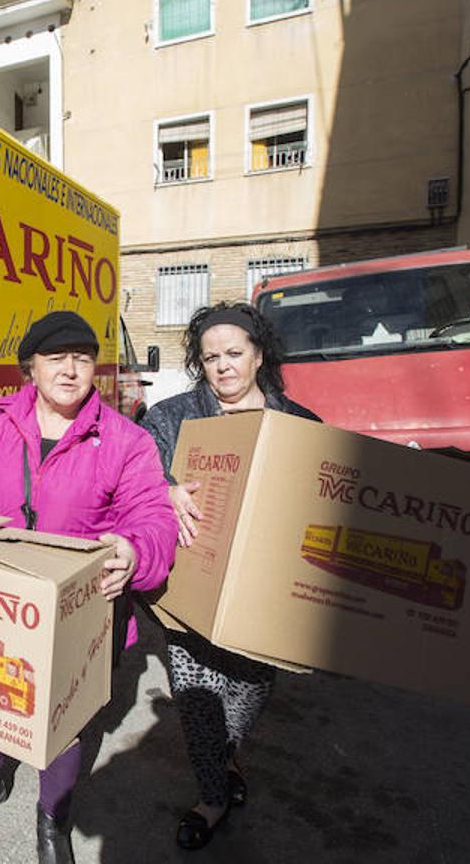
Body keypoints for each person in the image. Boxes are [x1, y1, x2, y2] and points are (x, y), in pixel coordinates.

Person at [0, 310, 177, 864]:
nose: (71, 370)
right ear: (30, 366)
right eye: (57, 358)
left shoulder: (124, 438)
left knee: (64, 721)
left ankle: (53, 818)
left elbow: (152, 516)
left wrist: (133, 551)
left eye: (82, 358)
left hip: (81, 611)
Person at [140, 301, 320, 851]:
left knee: (248, 690)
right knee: (196, 699)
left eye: (234, 353)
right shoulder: (171, 418)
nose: (223, 366)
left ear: (258, 354)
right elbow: (136, 479)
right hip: (188, 594)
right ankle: (213, 797)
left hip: (264, 599)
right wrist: (165, 492)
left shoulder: (301, 425)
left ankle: (225, 761)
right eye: (211, 356)